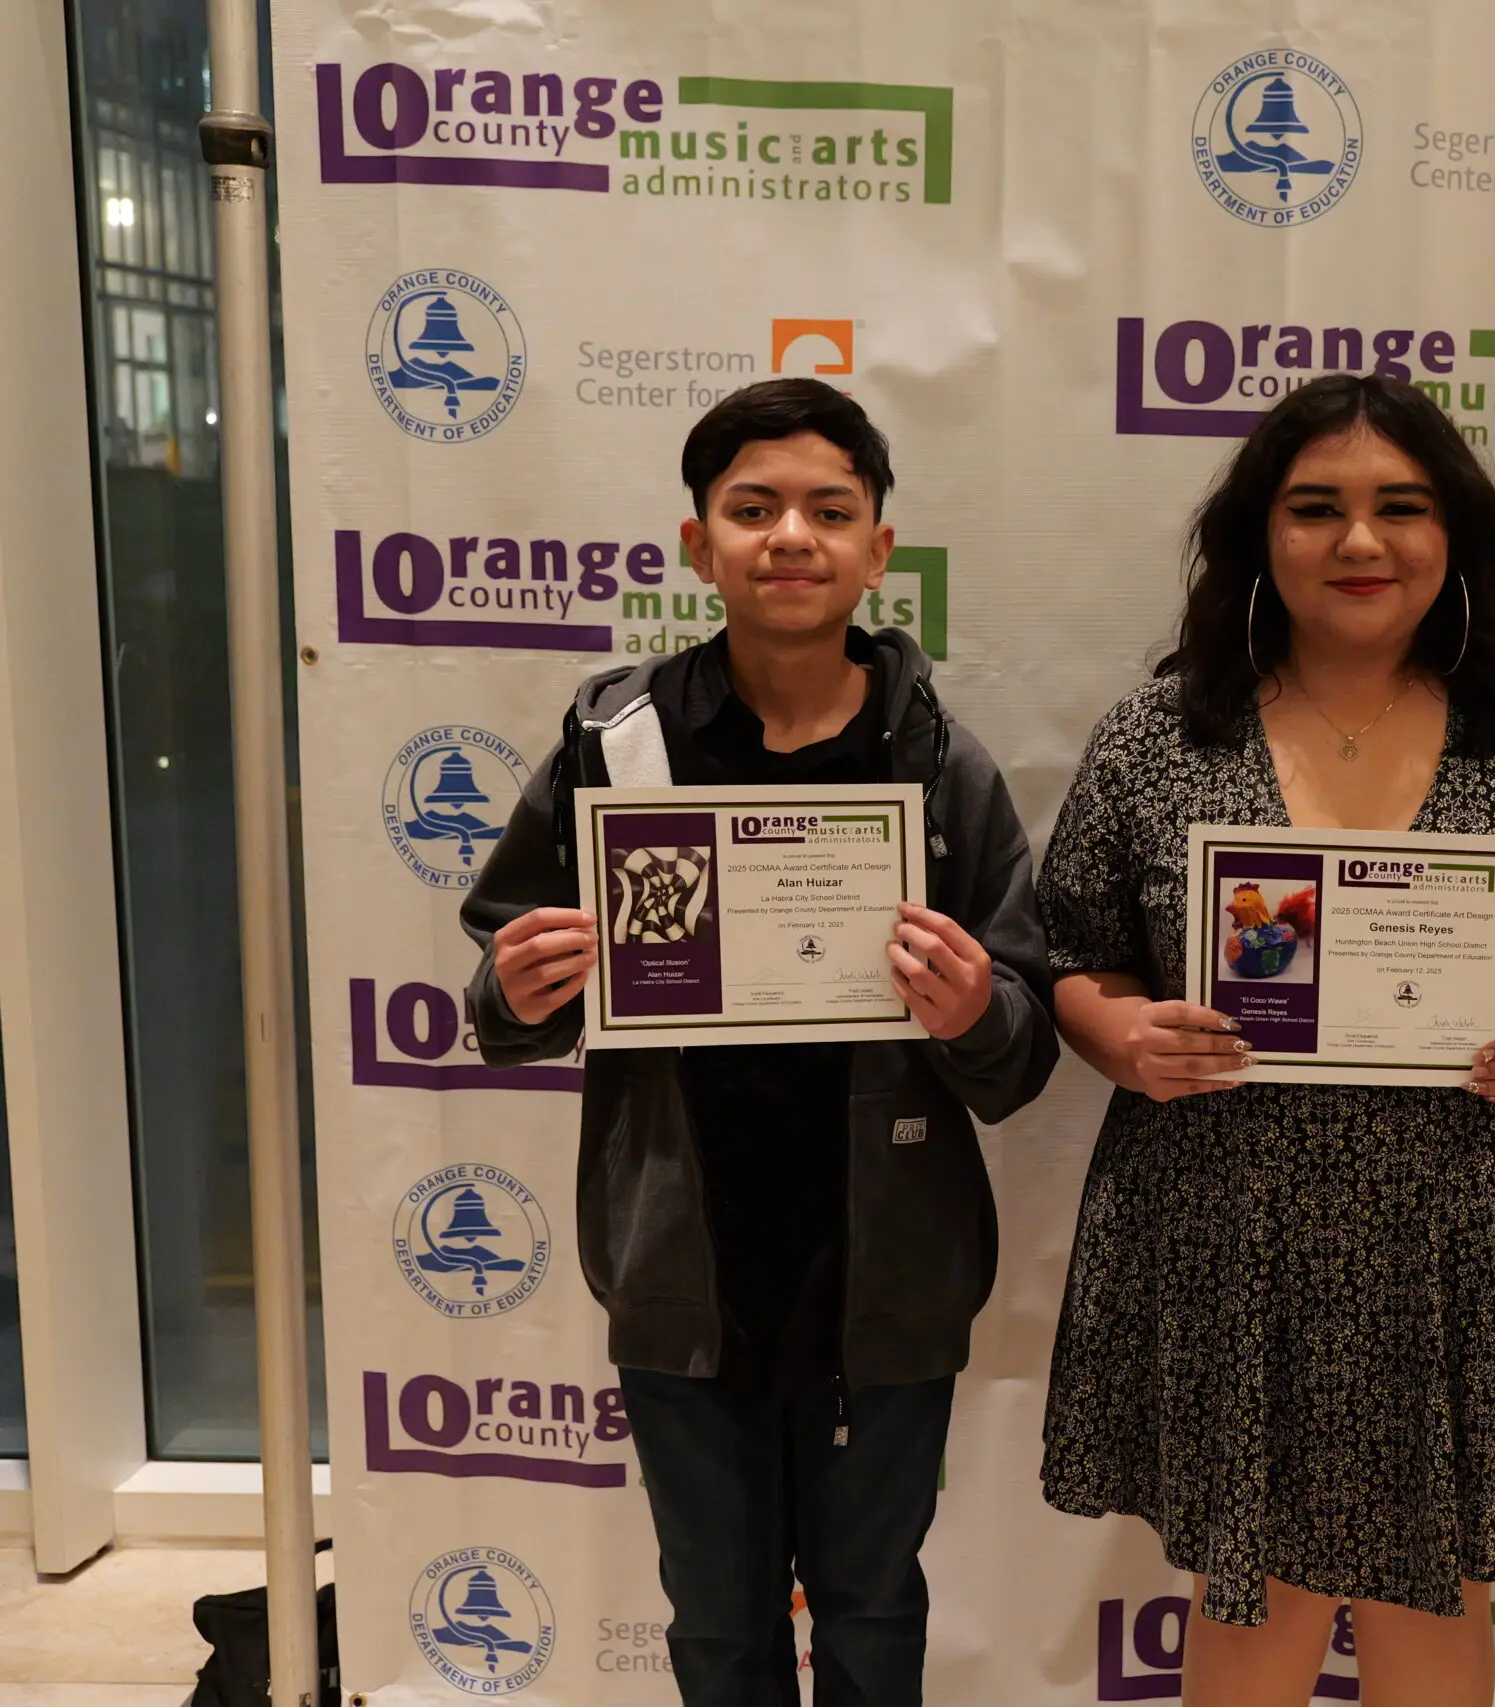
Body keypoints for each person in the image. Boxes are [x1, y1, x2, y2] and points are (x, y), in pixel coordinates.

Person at [1038, 373, 1495, 1706]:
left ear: (1457, 533)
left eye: (1399, 507)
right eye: (1317, 508)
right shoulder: (1157, 735)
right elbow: (1072, 950)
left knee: (1442, 1598)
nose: (1359, 543)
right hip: (1230, 1224)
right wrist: (1126, 1033)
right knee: (1251, 1605)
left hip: (1465, 1225)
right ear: (1260, 534)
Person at [459, 378, 1057, 1707]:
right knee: (718, 1628)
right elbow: (501, 998)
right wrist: (523, 983)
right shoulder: (615, 748)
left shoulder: (944, 770)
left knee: (869, 1612)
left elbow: (1019, 1057)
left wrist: (975, 1013)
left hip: (885, 1278)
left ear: (876, 549)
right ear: (697, 545)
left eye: (828, 509)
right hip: (685, 1272)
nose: (792, 534)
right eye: (754, 507)